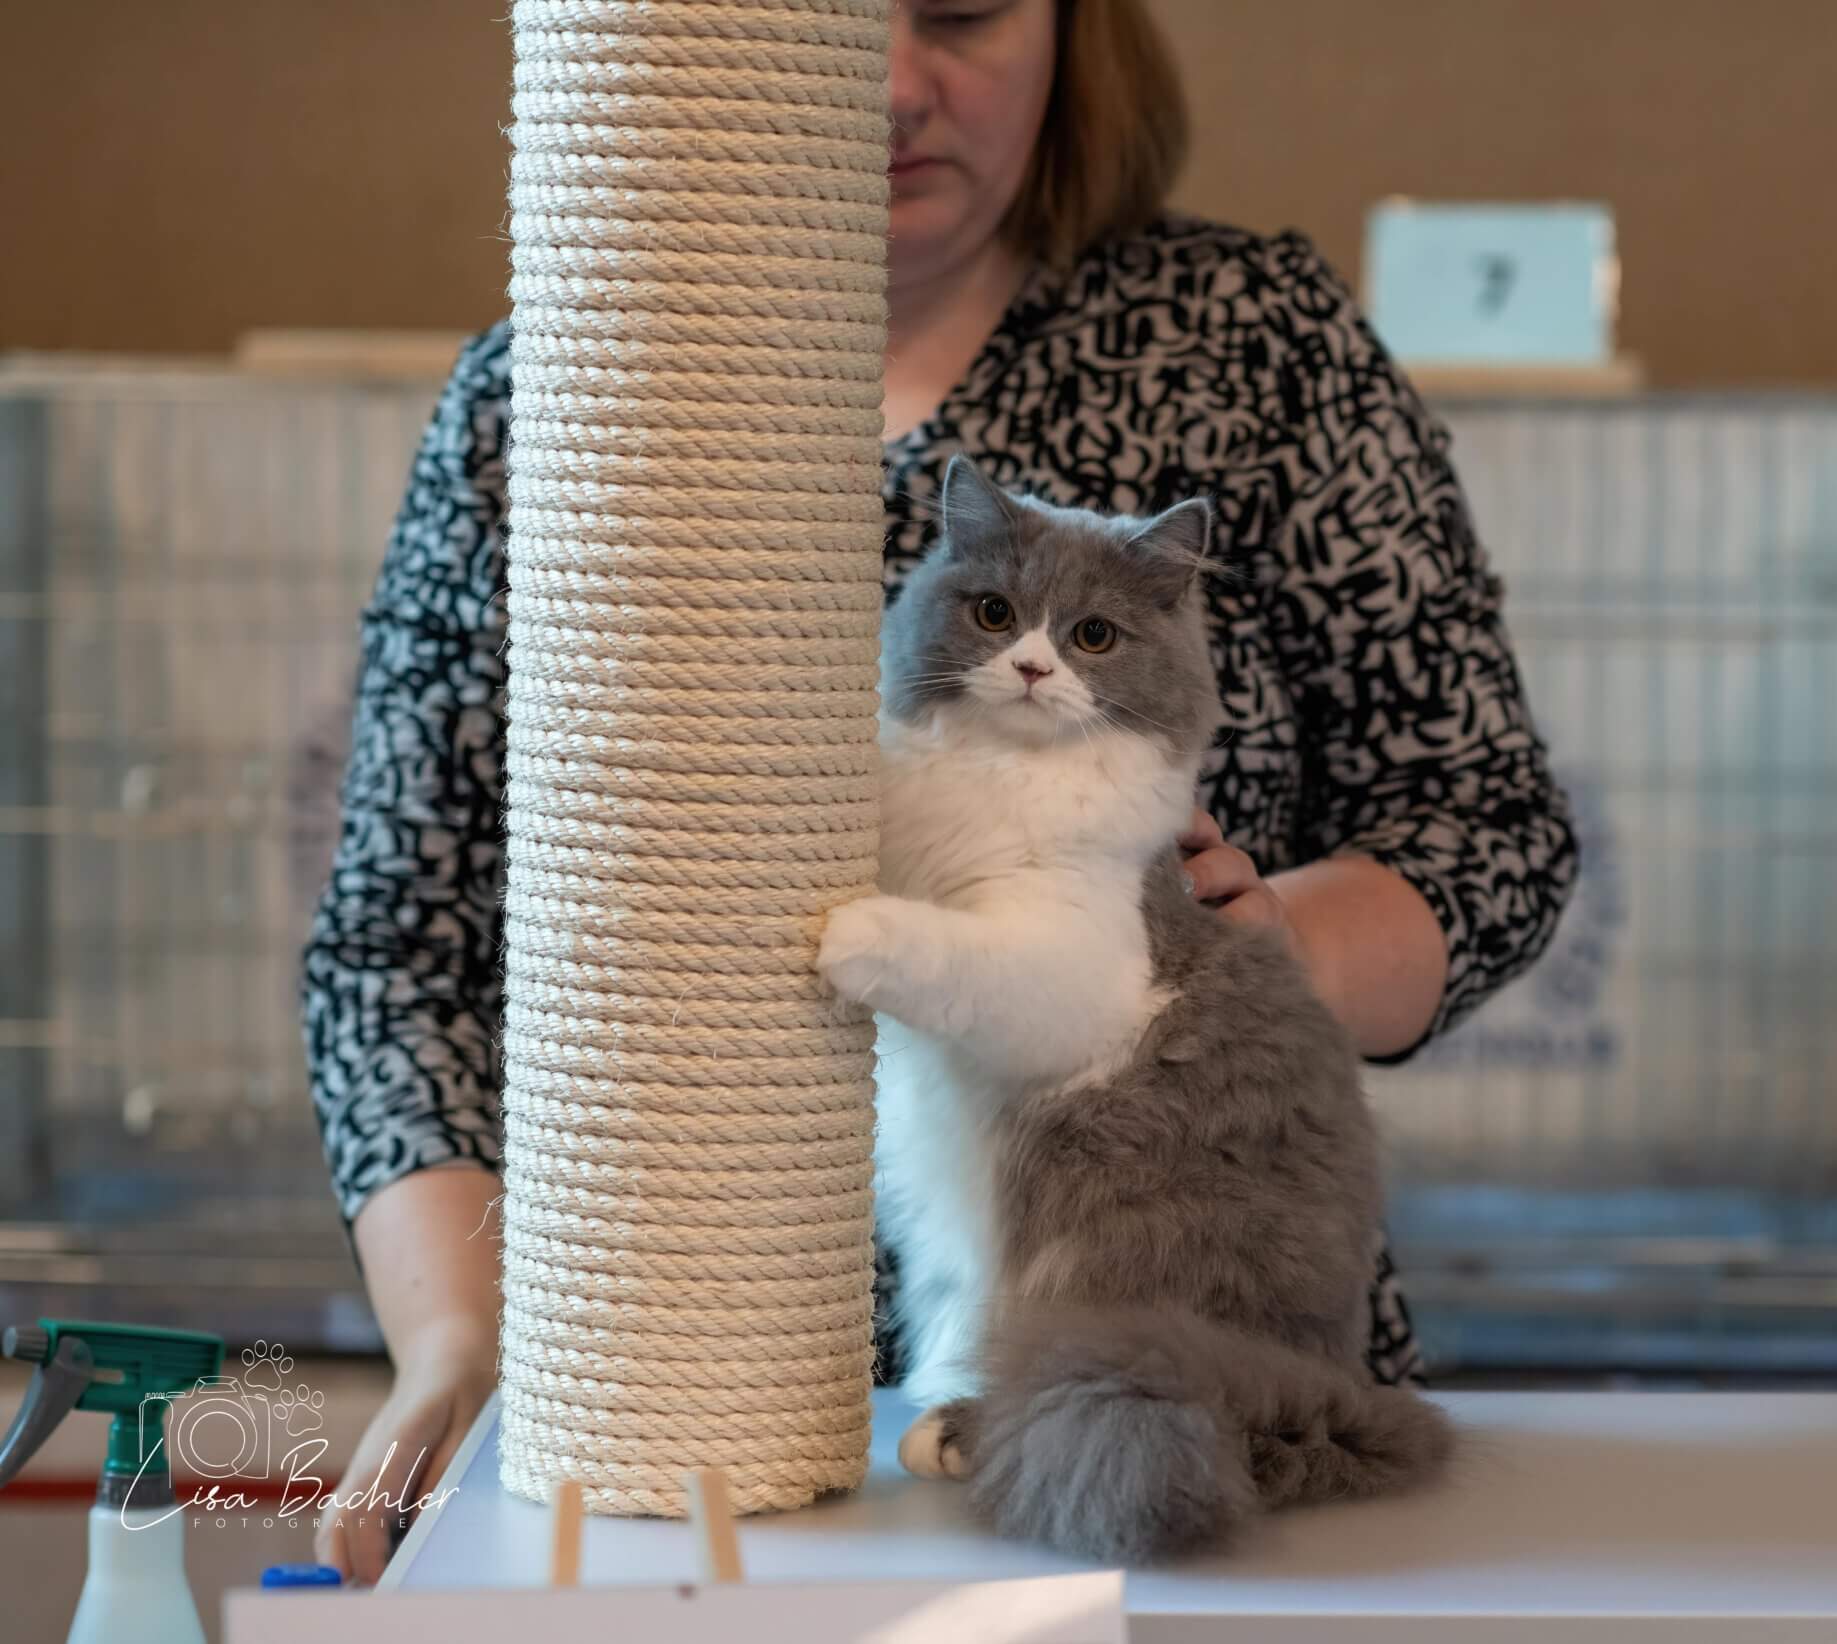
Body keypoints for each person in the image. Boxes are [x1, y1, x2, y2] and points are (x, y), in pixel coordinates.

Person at [302, 0, 1575, 1582]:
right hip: (653, 1403)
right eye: (834, 10)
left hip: (1186, 1374)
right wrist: (459, 1342)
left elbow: (1487, 823)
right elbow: (394, 951)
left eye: (963, 10)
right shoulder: (548, 393)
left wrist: (1246, 963)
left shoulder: (1254, 340)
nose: (892, 83)